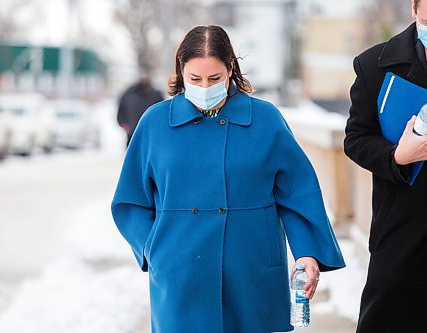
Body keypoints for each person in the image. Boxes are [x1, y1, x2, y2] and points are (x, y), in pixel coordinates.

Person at [111, 25, 345, 333]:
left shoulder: (265, 119)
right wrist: (153, 249)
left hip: (250, 267)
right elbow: (130, 200)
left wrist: (307, 253)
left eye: (214, 78)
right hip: (179, 272)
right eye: (194, 79)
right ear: (181, 72)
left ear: (230, 69)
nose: (204, 87)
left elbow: (297, 190)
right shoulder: (155, 123)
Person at [344, 1, 427, 331]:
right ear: (414, 8)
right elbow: (355, 139)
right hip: (402, 230)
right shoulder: (374, 66)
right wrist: (396, 156)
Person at [117, 72, 163, 147]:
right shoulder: (128, 94)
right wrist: (124, 125)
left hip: (152, 135)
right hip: (133, 134)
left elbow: (163, 113)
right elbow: (121, 112)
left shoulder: (156, 94)